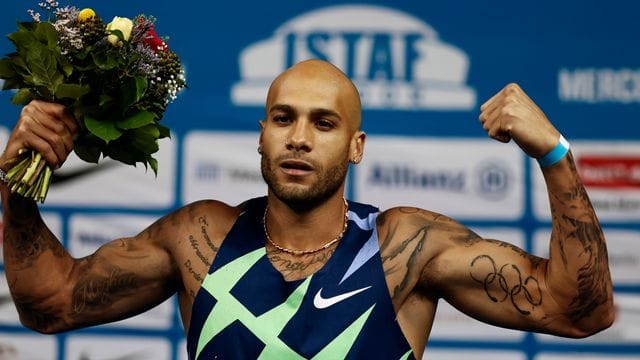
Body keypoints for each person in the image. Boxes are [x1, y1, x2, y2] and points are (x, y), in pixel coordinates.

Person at [1, 59, 614, 359]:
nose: (298, 138)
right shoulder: (201, 237)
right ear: (261, 134)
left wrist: (555, 155)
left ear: (356, 146)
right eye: (282, 118)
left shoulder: (405, 248)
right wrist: (19, 185)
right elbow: (50, 304)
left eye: (323, 123)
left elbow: (581, 311)